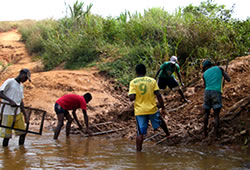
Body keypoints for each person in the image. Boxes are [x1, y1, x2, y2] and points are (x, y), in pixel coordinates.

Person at [129, 63, 170, 151]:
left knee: (140, 133)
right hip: (152, 109)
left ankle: (138, 153)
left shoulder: (133, 82)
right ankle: (168, 134)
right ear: (145, 71)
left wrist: (135, 95)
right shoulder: (152, 81)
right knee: (161, 121)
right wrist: (163, 107)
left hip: (140, 111)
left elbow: (131, 98)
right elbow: (158, 95)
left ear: (136, 72)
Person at [0, 69, 31, 147]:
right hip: (7, 112)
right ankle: (6, 153)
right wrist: (10, 101)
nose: (25, 80)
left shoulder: (21, 86)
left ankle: (21, 150)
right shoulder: (10, 82)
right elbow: (0, 92)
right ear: (21, 74)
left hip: (17, 112)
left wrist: (25, 115)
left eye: (27, 79)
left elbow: (20, 101)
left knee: (23, 132)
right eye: (25, 77)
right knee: (7, 136)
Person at [202, 59, 231, 138]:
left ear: (205, 67)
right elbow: (228, 79)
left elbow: (205, 86)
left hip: (207, 92)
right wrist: (224, 74)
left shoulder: (204, 74)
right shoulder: (219, 68)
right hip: (216, 92)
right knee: (216, 115)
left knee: (206, 113)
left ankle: (205, 133)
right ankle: (215, 134)